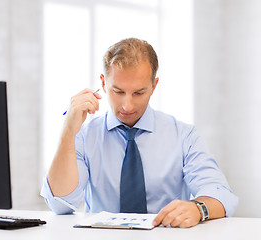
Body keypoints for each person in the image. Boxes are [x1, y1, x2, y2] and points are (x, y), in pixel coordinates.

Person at [41, 38, 238, 228]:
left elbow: (222, 195)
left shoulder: (183, 135)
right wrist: (68, 130)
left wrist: (198, 208)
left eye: (139, 93)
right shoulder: (85, 135)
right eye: (118, 91)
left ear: (154, 86)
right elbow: (60, 204)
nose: (128, 105)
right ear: (103, 83)